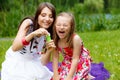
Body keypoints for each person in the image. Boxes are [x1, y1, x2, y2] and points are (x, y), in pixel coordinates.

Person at [1, 2, 56, 80]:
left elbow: (43, 63)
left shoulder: (48, 34)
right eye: (43, 15)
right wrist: (32, 35)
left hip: (32, 61)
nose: (47, 19)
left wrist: (49, 51)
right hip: (17, 61)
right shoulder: (29, 24)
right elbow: (15, 47)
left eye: (51, 16)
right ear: (37, 16)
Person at [52, 12, 92, 80]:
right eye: (58, 25)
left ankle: (85, 75)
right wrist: (55, 74)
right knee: (59, 78)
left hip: (80, 60)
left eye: (65, 25)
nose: (61, 27)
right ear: (55, 26)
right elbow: (55, 57)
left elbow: (76, 58)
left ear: (71, 27)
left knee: (74, 78)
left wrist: (69, 77)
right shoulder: (56, 39)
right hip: (68, 60)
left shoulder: (75, 39)